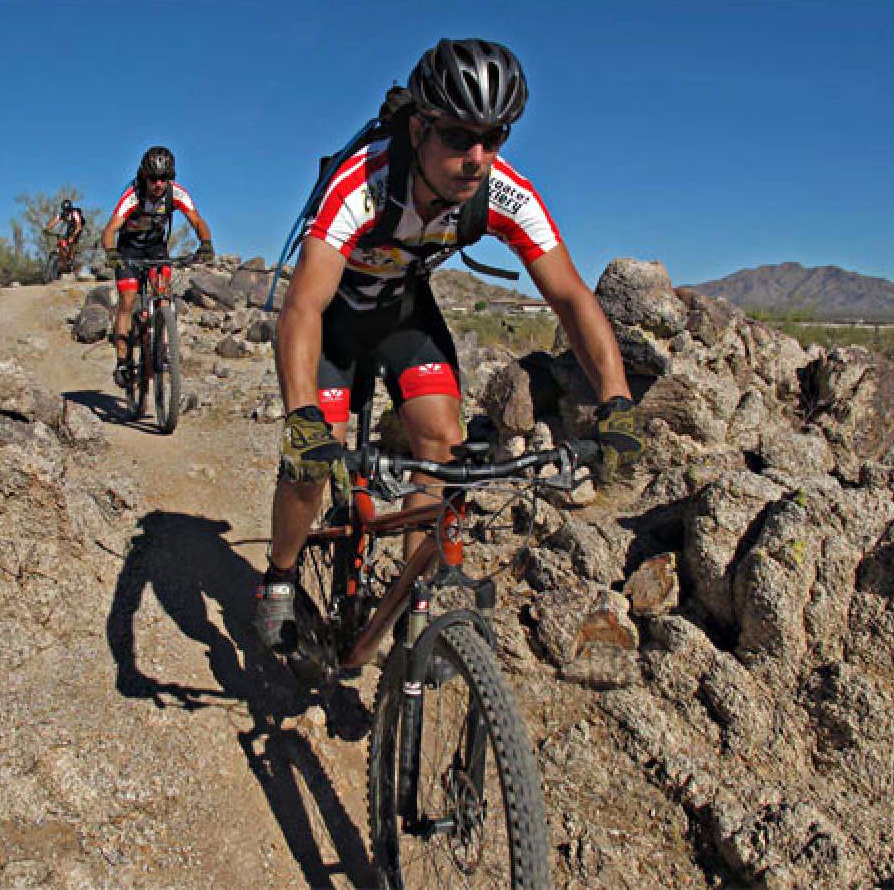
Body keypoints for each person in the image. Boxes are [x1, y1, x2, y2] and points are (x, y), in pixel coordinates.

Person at [254, 38, 643, 652]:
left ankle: (415, 604)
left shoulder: (503, 192)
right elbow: (303, 305)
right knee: (311, 456)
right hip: (332, 319)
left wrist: (617, 401)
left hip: (404, 315)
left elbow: (570, 297)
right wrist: (301, 417)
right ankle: (278, 576)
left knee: (441, 442)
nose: (478, 157)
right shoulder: (364, 182)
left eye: (496, 138)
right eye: (461, 137)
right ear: (418, 129)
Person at [101, 146, 215, 388]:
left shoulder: (176, 194)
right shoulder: (133, 195)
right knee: (128, 300)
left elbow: (196, 220)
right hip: (128, 250)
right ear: (144, 176)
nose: (159, 184)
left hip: (156, 249)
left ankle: (162, 343)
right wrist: (111, 253)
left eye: (165, 178)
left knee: (163, 295)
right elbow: (110, 230)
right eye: (154, 178)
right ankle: (122, 360)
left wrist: (205, 243)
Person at [45, 198, 85, 272]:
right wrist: (47, 228)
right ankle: (63, 262)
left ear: (70, 209)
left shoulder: (75, 213)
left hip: (78, 229)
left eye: (67, 210)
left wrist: (73, 237)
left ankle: (71, 259)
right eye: (64, 210)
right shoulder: (62, 214)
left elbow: (79, 226)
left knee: (72, 242)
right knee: (61, 243)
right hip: (70, 229)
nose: (66, 212)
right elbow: (54, 221)